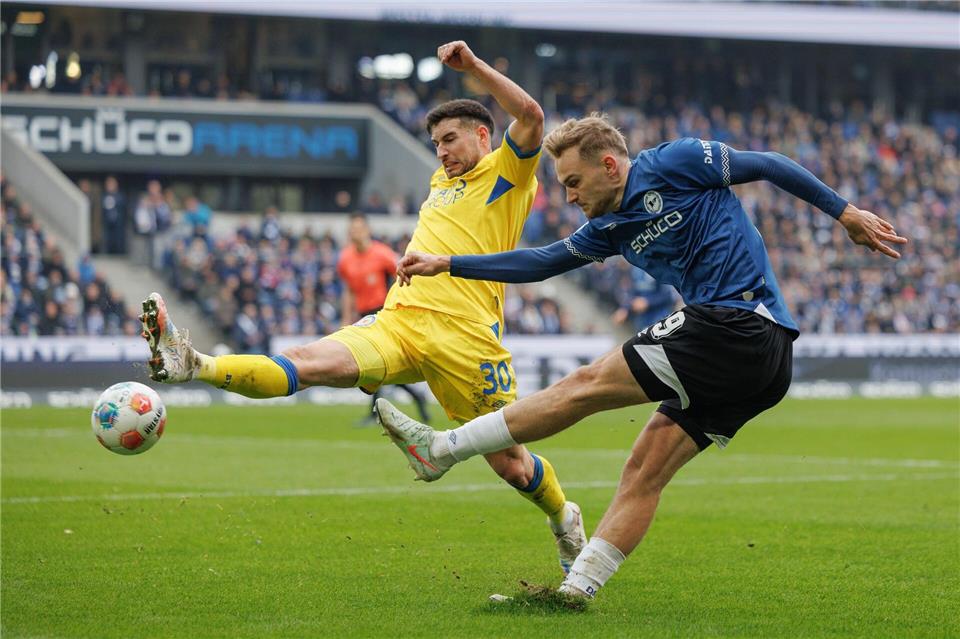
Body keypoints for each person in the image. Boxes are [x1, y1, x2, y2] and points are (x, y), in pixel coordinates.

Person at [376, 113, 908, 601]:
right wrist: (450, 263)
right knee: (643, 470)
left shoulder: (675, 162)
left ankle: (443, 449)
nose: (569, 197)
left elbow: (768, 163)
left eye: (574, 182)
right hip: (758, 361)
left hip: (738, 324)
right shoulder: (608, 228)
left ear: (609, 166)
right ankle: (577, 590)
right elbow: (542, 262)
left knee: (584, 386)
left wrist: (845, 213)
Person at [139, 41, 586, 573]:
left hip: (466, 338)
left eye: (450, 139)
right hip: (399, 322)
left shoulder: (506, 176)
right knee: (305, 361)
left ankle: (564, 519)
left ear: (483, 136)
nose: (441, 152)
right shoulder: (440, 182)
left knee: (511, 465)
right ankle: (195, 364)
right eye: (436, 143)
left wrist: (471, 68)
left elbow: (531, 115)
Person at [337, 212, 430, 425]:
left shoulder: (382, 253)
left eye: (359, 228)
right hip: (363, 315)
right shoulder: (345, 259)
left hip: (382, 313)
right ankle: (416, 396)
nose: (355, 232)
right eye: (352, 229)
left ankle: (374, 413)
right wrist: (346, 318)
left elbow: (403, 273)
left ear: (367, 230)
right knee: (378, 366)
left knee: (376, 363)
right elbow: (348, 291)